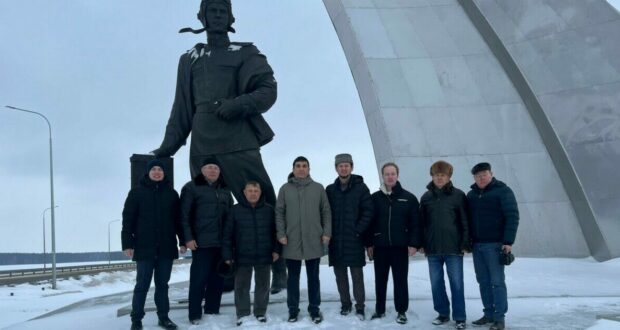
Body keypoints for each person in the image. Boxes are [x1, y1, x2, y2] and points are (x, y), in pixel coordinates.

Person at [150, 0, 286, 294]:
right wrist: (166, 148)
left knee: (263, 203)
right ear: (201, 16)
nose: (216, 15)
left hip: (239, 141)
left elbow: (268, 90)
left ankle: (278, 267)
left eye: (222, 11)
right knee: (212, 213)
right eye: (211, 11)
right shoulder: (190, 58)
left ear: (230, 17)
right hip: (203, 144)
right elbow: (181, 109)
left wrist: (237, 105)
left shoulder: (246, 52)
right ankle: (224, 272)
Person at [121, 159, 185, 330]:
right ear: (148, 172)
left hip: (166, 247)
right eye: (154, 169)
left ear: (164, 173)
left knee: (162, 285)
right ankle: (136, 320)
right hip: (144, 247)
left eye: (160, 169)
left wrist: (183, 241)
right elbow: (128, 221)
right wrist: (127, 244)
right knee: (142, 285)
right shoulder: (136, 193)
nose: (157, 172)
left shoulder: (172, 194)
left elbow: (178, 221)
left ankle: (163, 317)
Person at [275, 156, 332, 324]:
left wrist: (326, 232)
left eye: (304, 166)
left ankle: (314, 309)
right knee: (292, 278)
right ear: (293, 169)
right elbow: (279, 212)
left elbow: (326, 212)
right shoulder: (285, 189)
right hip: (291, 240)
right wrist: (281, 234)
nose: (301, 168)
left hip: (313, 238)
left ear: (309, 169)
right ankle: (293, 310)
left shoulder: (318, 188)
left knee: (313, 277)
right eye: (298, 166)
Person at [366, 162, 422, 325]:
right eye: (387, 174)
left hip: (400, 247)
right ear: (382, 176)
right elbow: (369, 222)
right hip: (380, 247)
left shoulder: (409, 198)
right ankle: (380, 309)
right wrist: (369, 243)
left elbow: (415, 224)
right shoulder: (375, 198)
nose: (390, 177)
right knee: (380, 280)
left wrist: (413, 244)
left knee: (400, 280)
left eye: (393, 174)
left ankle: (401, 311)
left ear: (397, 176)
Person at [180, 158, 233, 325]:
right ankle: (195, 314)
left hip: (221, 243)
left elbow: (230, 217)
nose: (213, 171)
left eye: (216, 168)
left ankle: (212, 309)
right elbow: (183, 215)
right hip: (201, 243)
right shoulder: (191, 187)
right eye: (209, 167)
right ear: (202, 170)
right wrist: (187, 238)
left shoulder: (225, 190)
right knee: (198, 279)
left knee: (217, 278)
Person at [467, 162, 519, 330]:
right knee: (483, 281)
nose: (481, 178)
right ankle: (488, 314)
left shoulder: (503, 191)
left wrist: (508, 242)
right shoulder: (472, 195)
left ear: (491, 174)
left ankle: (499, 318)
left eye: (484, 174)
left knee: (497, 282)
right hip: (477, 245)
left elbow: (512, 216)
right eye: (477, 175)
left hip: (495, 245)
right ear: (474, 178)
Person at [419, 161, 470, 329]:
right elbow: (422, 223)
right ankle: (442, 314)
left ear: (448, 177)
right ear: (432, 176)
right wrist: (421, 243)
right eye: (436, 175)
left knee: (456, 283)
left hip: (453, 249)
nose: (439, 178)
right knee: (436, 283)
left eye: (443, 175)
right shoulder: (426, 197)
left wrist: (465, 243)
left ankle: (460, 317)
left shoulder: (458, 195)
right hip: (432, 249)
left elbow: (464, 221)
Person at [222, 181, 281, 326]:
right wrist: (227, 255)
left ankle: (260, 312)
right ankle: (242, 313)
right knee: (241, 286)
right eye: (250, 190)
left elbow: (276, 233)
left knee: (263, 285)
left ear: (260, 192)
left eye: (256, 190)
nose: (253, 193)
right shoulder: (235, 210)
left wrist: (276, 250)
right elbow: (227, 234)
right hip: (242, 255)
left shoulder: (268, 210)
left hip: (264, 254)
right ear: (244, 192)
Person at [325, 153, 373, 320]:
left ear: (351, 167)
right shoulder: (330, 190)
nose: (343, 168)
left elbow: (368, 211)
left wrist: (357, 230)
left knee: (357, 276)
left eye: (346, 165)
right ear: (336, 168)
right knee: (340, 276)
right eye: (340, 165)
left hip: (354, 239)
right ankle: (345, 304)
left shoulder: (361, 188)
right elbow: (325, 213)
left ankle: (360, 306)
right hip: (336, 240)